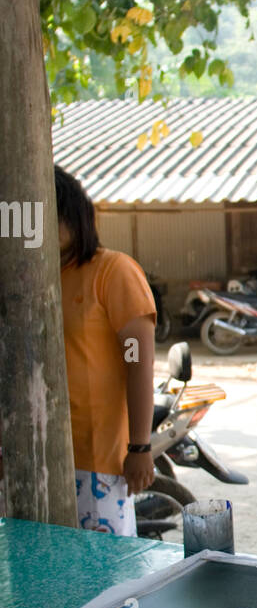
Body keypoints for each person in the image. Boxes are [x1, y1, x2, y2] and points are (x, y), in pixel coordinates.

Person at [56, 166, 156, 534]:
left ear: (72, 213)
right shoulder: (32, 278)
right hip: (36, 458)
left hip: (97, 461)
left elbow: (139, 363)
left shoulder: (113, 271)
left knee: (103, 580)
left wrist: (140, 446)